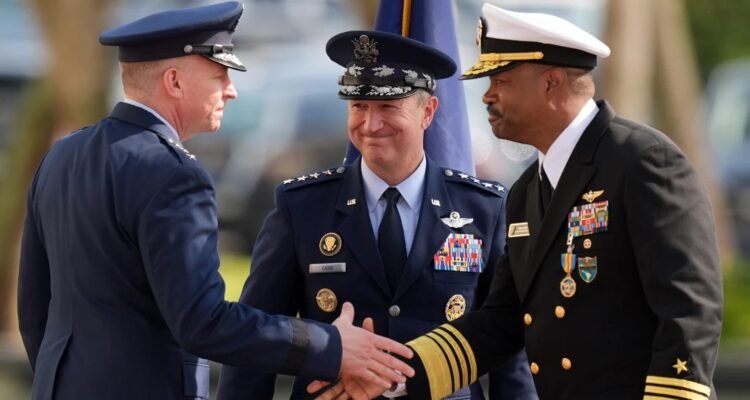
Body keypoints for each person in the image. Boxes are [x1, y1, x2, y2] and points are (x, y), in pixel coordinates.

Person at [311, 3, 724, 400]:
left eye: (501, 82)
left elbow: (689, 313)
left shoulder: (642, 161)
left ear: (551, 82)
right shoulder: (527, 189)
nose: (487, 97)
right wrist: (391, 375)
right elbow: (502, 320)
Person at [16, 3, 415, 399]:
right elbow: (203, 321)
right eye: (219, 74)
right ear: (174, 82)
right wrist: (330, 346)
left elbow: (34, 312)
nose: (231, 90)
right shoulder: (174, 174)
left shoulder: (61, 156)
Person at [216, 30, 537, 399]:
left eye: (388, 107)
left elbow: (510, 345)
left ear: (428, 112)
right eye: (359, 107)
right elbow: (258, 340)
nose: (370, 125)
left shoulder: (482, 208)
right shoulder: (302, 206)